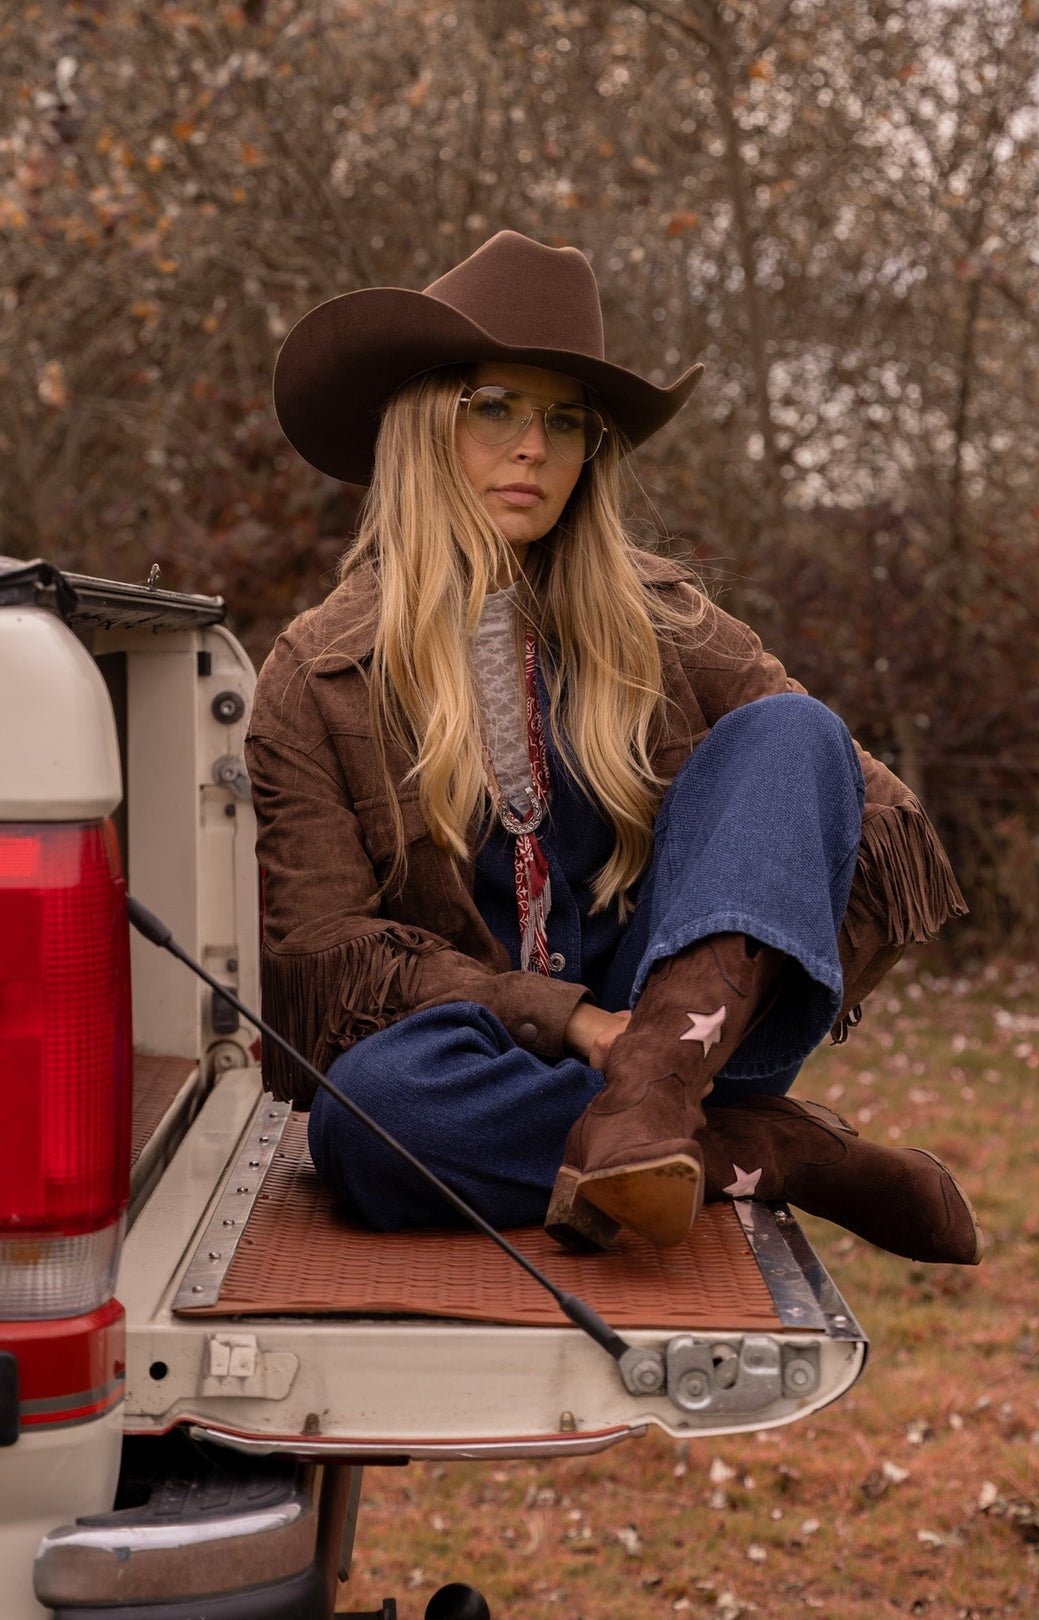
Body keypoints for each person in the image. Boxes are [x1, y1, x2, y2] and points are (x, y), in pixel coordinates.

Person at [246, 230, 981, 1266]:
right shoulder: (316, 675)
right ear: (421, 427)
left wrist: (727, 1005)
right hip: (479, 1052)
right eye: (492, 407)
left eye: (564, 421)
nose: (533, 448)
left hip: (685, 1018)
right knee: (367, 1118)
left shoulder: (664, 620)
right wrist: (577, 1024)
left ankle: (655, 1107)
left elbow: (871, 819)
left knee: (791, 729)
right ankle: (768, 1154)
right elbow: (324, 957)